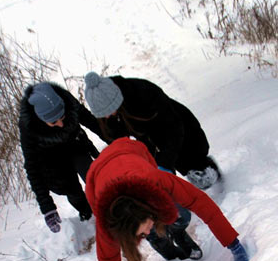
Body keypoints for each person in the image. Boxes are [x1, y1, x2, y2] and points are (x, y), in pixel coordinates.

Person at [85, 137, 250, 261]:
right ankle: (158, 238)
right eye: (142, 234)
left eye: (146, 228)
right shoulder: (108, 223)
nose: (146, 232)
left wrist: (233, 244)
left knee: (179, 214)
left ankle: (176, 231)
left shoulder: (155, 181)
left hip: (133, 152)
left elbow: (199, 201)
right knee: (144, 229)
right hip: (97, 177)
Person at [83, 71, 222, 190]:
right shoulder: (111, 114)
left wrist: (166, 162)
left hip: (177, 128)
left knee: (198, 170)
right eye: (103, 114)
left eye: (109, 111)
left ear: (116, 99)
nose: (107, 116)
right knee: (160, 178)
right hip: (150, 141)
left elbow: (173, 126)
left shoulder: (143, 92)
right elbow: (119, 140)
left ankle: (216, 176)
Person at [19, 81, 103, 233]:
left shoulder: (67, 101)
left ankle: (109, 209)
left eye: (63, 117)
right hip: (51, 160)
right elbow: (32, 167)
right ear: (41, 118)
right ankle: (87, 214)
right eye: (53, 122)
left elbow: (90, 120)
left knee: (93, 177)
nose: (61, 124)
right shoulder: (29, 126)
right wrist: (47, 207)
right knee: (73, 192)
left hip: (75, 145)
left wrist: (115, 139)